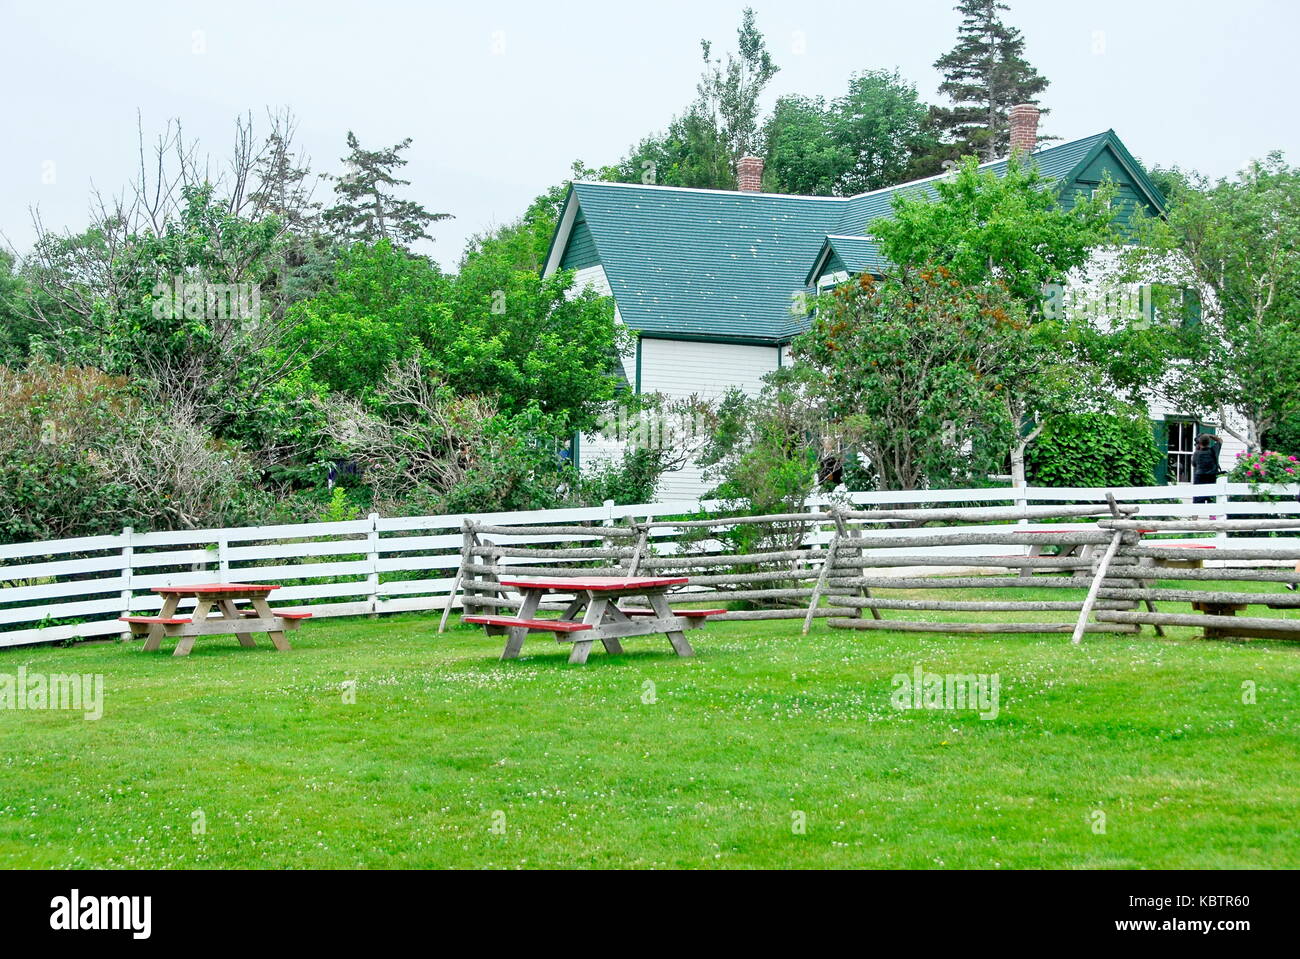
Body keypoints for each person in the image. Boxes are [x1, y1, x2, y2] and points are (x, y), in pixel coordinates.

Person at [1191, 433, 1222, 505]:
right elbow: (1220, 440)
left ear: (1199, 443)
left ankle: (1195, 516)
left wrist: (1197, 449)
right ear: (1209, 442)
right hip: (1212, 478)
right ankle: (1212, 516)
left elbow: (1194, 464)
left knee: (1197, 502)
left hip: (1199, 479)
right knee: (1212, 501)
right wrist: (1209, 435)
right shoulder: (1214, 450)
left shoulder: (1196, 453)